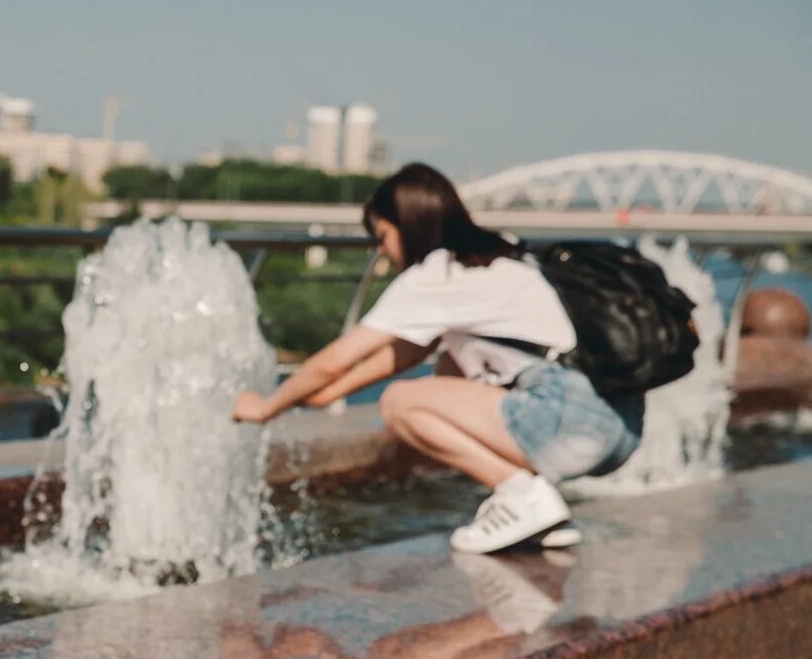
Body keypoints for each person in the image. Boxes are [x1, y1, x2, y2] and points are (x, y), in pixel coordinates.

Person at [232, 163, 645, 554]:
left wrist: (267, 407)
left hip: (569, 420)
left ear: (408, 226)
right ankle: (541, 518)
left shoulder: (437, 272)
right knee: (447, 367)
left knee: (399, 403)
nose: (382, 250)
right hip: (619, 428)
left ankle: (523, 496)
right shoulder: (502, 252)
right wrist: (326, 396)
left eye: (383, 236)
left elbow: (335, 359)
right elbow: (406, 353)